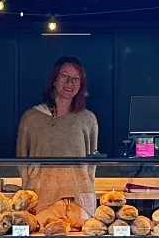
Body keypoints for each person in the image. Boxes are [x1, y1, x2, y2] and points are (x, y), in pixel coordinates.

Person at [16, 56, 99, 225]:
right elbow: (22, 161)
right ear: (54, 80)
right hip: (42, 201)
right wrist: (28, 196)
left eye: (76, 79)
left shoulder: (87, 119)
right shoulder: (32, 118)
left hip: (80, 202)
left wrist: (88, 199)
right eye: (64, 76)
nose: (70, 83)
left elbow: (92, 164)